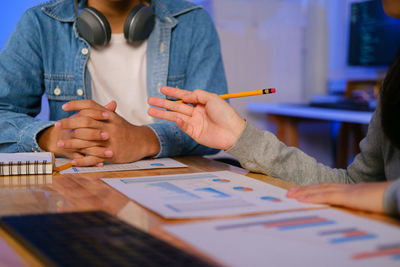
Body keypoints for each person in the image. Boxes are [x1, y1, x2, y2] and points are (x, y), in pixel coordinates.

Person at [147, 0, 400, 217]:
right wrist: (239, 137)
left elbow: (375, 193)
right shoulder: (395, 79)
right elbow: (355, 187)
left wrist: (389, 196)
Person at [0, 0, 227, 166]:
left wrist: (144, 139)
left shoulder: (193, 21)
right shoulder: (41, 23)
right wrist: (52, 137)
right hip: (80, 188)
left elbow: (215, 127)